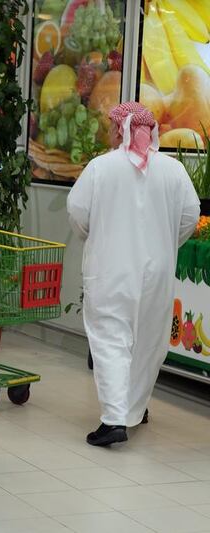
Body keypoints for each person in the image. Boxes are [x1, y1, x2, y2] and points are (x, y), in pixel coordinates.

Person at [67, 102, 200, 447]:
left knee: (112, 339)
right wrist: (166, 242)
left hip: (110, 269)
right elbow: (190, 216)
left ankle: (114, 419)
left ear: (120, 129)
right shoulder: (173, 171)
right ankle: (134, 410)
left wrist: (95, 235)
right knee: (148, 340)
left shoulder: (101, 168)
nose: (110, 132)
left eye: (111, 126)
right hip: (157, 271)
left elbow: (78, 213)